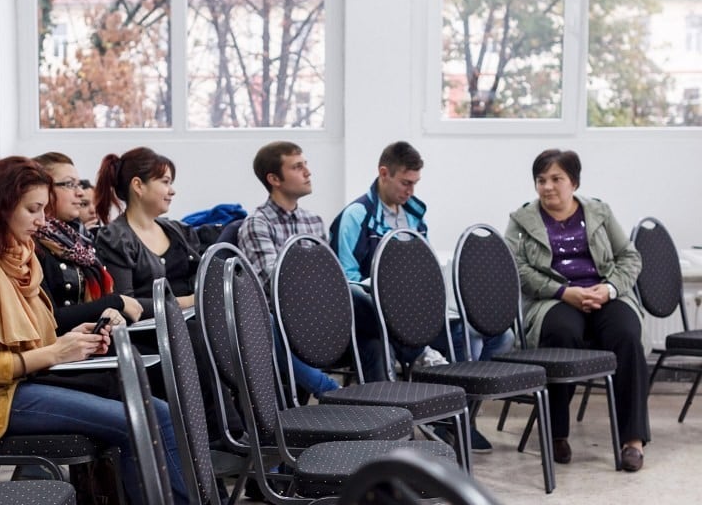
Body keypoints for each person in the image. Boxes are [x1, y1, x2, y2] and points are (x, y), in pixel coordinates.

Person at [0, 156, 243, 505]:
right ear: (0, 207)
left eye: (43, 209)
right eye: (32, 210)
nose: (41, 221)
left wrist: (78, 337)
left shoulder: (16, 257)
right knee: (138, 416)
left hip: (23, 383)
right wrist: (57, 353)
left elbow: (37, 338)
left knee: (154, 409)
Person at [329, 140, 512, 452]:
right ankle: (399, 421)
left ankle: (452, 418)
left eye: (415, 183)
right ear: (383, 173)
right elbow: (344, 278)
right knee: (379, 332)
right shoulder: (356, 215)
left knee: (494, 337)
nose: (410, 191)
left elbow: (423, 269)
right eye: (405, 183)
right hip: (372, 312)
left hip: (415, 311)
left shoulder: (414, 215)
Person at [505, 148, 648, 472]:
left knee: (626, 334)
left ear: (574, 182)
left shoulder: (599, 212)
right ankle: (556, 433)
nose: (547, 187)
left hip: (602, 294)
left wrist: (609, 288)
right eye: (541, 180)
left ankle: (633, 440)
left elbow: (629, 256)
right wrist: (562, 291)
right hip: (554, 298)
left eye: (556, 179)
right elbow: (514, 266)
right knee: (561, 332)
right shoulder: (521, 219)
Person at [237, 141, 346, 397]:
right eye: (298, 167)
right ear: (274, 178)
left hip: (320, 313)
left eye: (305, 165)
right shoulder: (257, 224)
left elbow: (332, 277)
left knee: (367, 309)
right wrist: (318, 285)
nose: (308, 172)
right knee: (263, 321)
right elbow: (275, 285)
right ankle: (329, 390)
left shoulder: (314, 222)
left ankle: (386, 406)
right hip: (281, 318)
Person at [31, 152, 143, 334]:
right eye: (69, 184)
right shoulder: (33, 244)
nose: (80, 193)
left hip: (97, 338)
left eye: (79, 184)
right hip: (69, 349)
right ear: (44, 189)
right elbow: (51, 319)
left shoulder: (79, 240)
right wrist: (114, 302)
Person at [93, 147, 201, 316]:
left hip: (193, 323)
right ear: (138, 186)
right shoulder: (115, 238)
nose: (172, 191)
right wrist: (185, 302)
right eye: (165, 182)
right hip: (151, 336)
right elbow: (126, 303)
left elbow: (200, 275)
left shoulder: (178, 231)